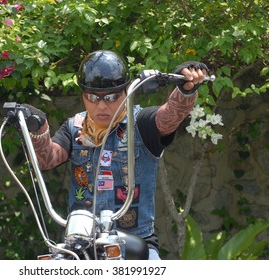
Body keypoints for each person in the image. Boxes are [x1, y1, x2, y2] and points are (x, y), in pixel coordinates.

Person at [26, 50, 209, 259]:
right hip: (82, 244)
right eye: (92, 97)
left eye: (111, 97)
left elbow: (169, 116)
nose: (101, 105)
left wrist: (185, 91)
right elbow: (48, 158)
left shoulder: (141, 123)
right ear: (83, 95)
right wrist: (38, 128)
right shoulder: (74, 127)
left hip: (135, 245)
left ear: (126, 92)